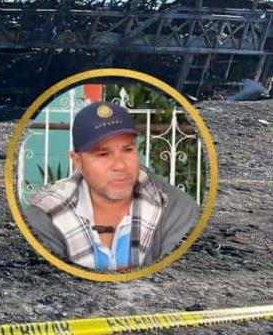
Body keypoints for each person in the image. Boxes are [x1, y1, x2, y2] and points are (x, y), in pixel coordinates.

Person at [23, 101, 199, 271]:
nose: (120, 165)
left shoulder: (175, 207)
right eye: (103, 154)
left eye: (128, 150)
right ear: (78, 162)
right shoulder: (46, 215)